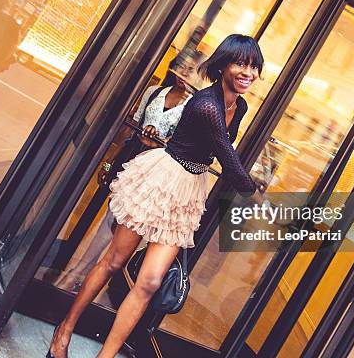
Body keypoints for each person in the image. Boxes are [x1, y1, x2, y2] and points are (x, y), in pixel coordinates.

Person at [46, 34, 263, 358]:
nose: (248, 73)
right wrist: (258, 198)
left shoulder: (239, 105)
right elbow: (227, 156)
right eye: (240, 64)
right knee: (114, 262)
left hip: (189, 188)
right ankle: (63, 331)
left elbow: (224, 151)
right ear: (223, 66)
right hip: (162, 178)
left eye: (254, 66)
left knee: (149, 282)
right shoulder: (206, 105)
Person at [53, 51, 205, 290]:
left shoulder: (193, 108)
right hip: (131, 157)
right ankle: (79, 273)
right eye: (182, 67)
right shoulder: (154, 92)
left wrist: (159, 142)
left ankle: (80, 274)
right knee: (110, 215)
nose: (184, 73)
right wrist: (106, 163)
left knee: (119, 222)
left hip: (158, 167)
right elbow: (129, 128)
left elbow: (184, 147)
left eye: (191, 70)